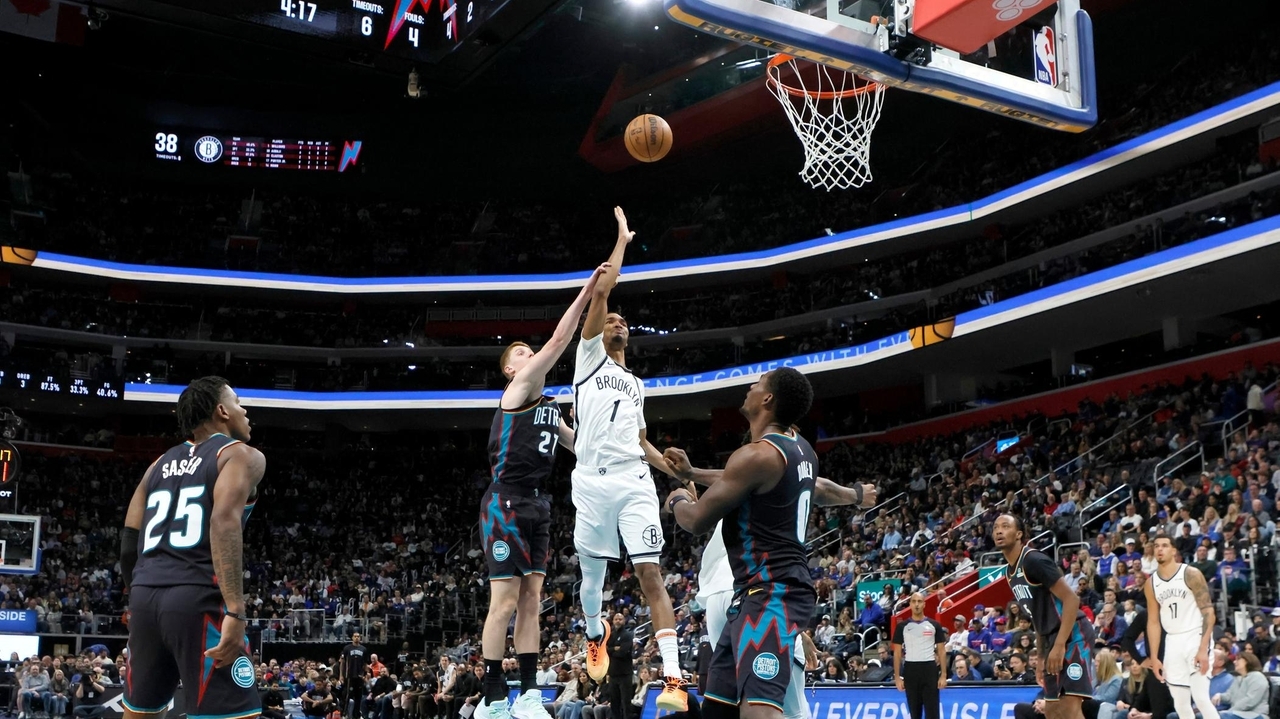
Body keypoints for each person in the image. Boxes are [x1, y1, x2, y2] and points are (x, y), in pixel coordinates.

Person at [665, 429, 876, 718]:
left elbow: (702, 508)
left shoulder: (739, 482)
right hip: (760, 595)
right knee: (786, 706)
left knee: (729, 702)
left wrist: (681, 494)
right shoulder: (771, 476)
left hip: (724, 598)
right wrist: (856, 495)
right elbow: (819, 487)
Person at [569, 207, 688, 709]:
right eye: (611, 318)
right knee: (592, 578)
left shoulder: (637, 384)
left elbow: (642, 442)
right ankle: (594, 631)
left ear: (628, 337)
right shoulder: (588, 357)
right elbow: (601, 291)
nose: (616, 320)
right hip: (592, 484)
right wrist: (621, 241)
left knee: (650, 575)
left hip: (635, 479)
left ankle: (675, 679)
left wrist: (677, 472)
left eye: (622, 320)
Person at [478, 262, 607, 719]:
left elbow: (585, 447)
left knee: (532, 599)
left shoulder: (550, 407)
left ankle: (529, 693)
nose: (529, 354)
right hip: (505, 502)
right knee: (505, 601)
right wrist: (591, 289)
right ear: (510, 370)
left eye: (528, 351)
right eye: (520, 353)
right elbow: (558, 340)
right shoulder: (516, 393)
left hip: (538, 503)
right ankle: (492, 698)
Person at [665, 368, 817, 719]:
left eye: (758, 384)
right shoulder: (800, 449)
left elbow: (697, 520)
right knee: (718, 709)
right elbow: (744, 478)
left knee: (758, 713)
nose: (750, 387)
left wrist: (677, 500)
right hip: (758, 594)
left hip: (771, 592)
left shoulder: (756, 456)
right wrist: (693, 474)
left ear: (767, 399)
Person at [120, 376, 265, 719]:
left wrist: (135, 598)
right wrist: (235, 609)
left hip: (144, 598)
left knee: (141, 713)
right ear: (221, 411)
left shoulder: (155, 465)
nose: (245, 411)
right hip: (196, 599)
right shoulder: (240, 455)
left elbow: (128, 545)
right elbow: (223, 522)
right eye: (238, 402)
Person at [994, 515, 1094, 719]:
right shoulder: (1010, 572)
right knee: (1053, 711)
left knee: (1069, 709)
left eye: (1005, 526)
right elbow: (1037, 618)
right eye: (996, 527)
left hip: (1073, 635)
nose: (998, 531)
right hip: (1050, 639)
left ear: (1019, 534)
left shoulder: (1034, 560)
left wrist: (1059, 645)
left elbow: (1072, 600)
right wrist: (1040, 657)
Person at [1145, 534, 1219, 719]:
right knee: (1180, 703)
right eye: (1156, 546)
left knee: (1201, 698)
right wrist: (1154, 657)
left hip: (1195, 635)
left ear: (1173, 550)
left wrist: (1203, 648)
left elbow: (1208, 612)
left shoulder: (1191, 573)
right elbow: (1153, 622)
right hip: (1173, 640)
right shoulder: (1151, 583)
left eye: (1164, 545)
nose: (1159, 549)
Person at [892, 593, 947, 719]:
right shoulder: (902, 627)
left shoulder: (934, 625)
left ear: (924, 604)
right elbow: (897, 652)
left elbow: (941, 651)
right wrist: (897, 677)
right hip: (910, 670)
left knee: (932, 713)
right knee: (914, 713)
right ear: (910, 604)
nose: (917, 604)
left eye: (919, 601)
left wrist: (943, 675)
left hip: (929, 670)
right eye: (914, 601)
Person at [1212, 653, 1269, 719]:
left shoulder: (1258, 677)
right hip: (1237, 713)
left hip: (1254, 714)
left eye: (1238, 659)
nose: (1234, 662)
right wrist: (1220, 696)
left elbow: (1250, 701)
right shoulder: (1238, 678)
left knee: (1219, 716)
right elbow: (1230, 696)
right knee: (1202, 715)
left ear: (1247, 661)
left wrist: (1229, 711)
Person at [340, 633, 370, 719]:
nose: (357, 638)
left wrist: (365, 674)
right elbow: (342, 662)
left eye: (358, 636)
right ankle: (344, 714)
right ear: (352, 638)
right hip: (349, 675)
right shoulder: (347, 648)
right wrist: (341, 676)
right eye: (355, 636)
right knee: (347, 695)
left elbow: (365, 663)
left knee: (359, 697)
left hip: (359, 676)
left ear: (360, 638)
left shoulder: (363, 649)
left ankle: (357, 714)